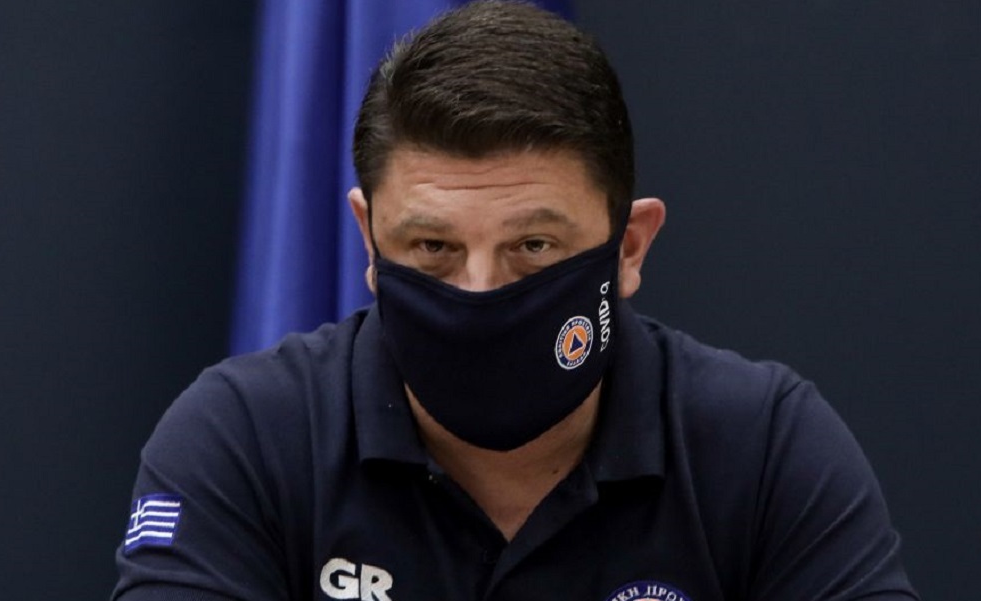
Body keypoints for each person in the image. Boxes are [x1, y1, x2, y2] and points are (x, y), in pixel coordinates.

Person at [112, 2, 918, 599]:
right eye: (433, 248)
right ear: (368, 240)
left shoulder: (762, 446)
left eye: (533, 247)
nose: (478, 292)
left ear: (629, 248)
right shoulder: (246, 437)